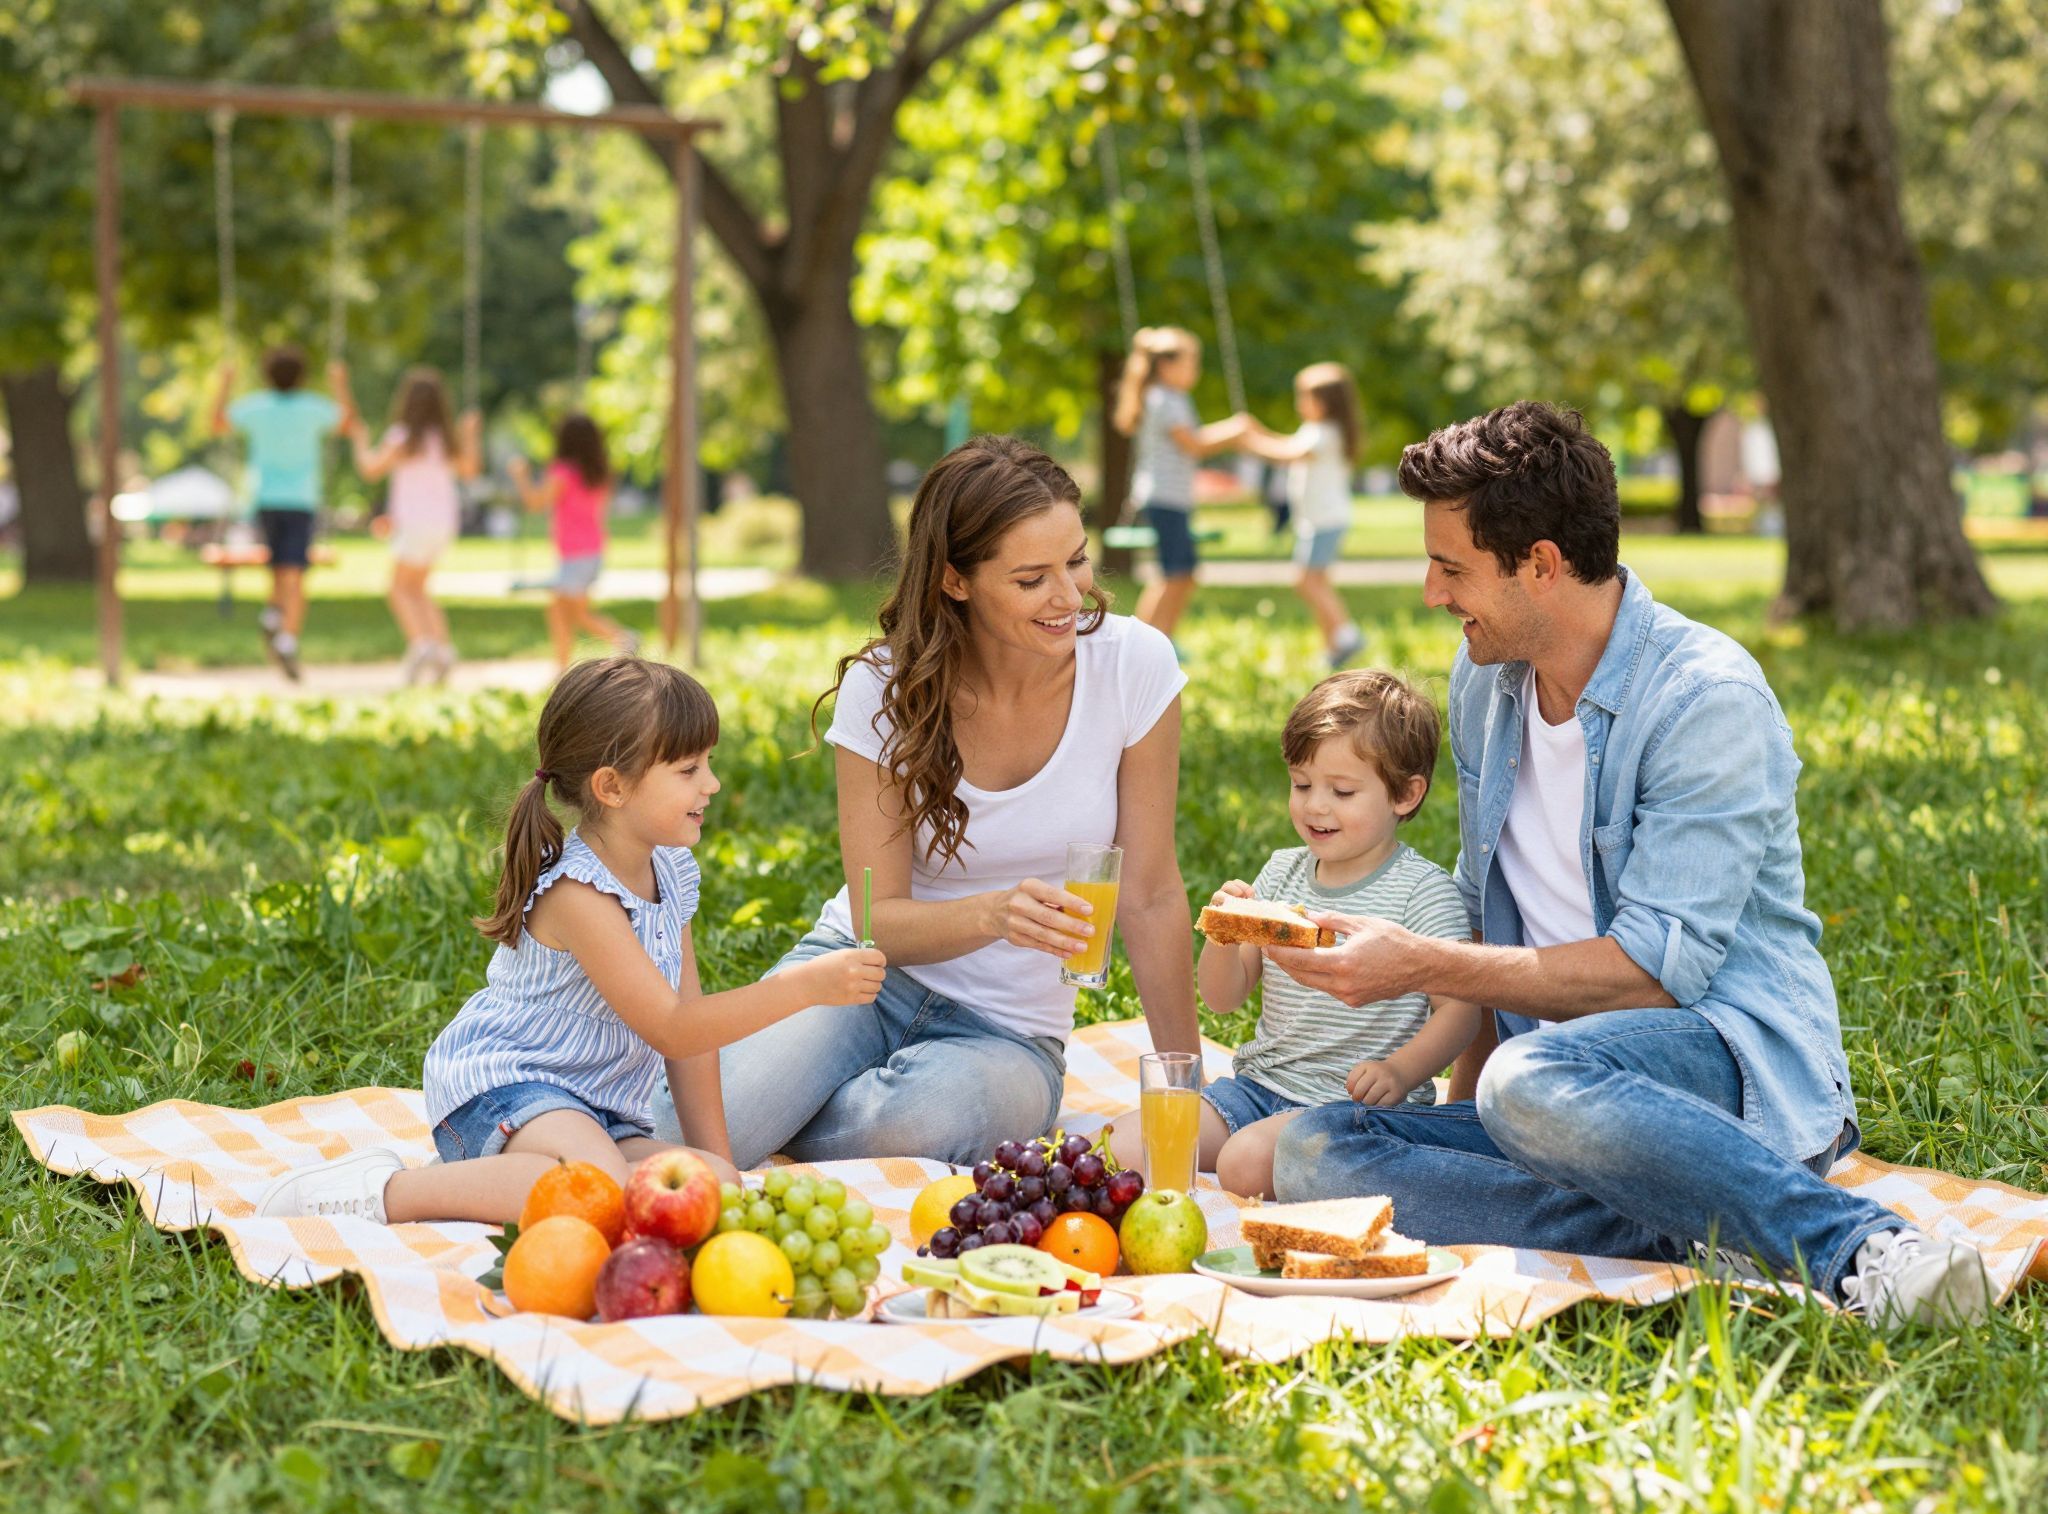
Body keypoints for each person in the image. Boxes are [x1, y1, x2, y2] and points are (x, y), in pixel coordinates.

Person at [1263, 401, 2000, 1330]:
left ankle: (1860, 1249)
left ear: (1541, 563)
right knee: (1316, 1149)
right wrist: (1464, 1095)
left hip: (1716, 1058)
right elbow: (1499, 912)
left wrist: (1413, 964)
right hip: (1556, 1094)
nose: (1431, 593)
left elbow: (1656, 975)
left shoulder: (1705, 698)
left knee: (1526, 1082)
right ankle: (1703, 1222)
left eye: (1452, 569)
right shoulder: (1486, 681)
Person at [652, 435, 1201, 1168]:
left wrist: (1184, 1092)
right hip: (857, 975)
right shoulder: (886, 688)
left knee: (918, 1124)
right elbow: (880, 921)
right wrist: (996, 912)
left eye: (1076, 560)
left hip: (1006, 1032)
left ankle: (792, 1121)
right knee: (675, 1138)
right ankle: (776, 1111)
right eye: (1032, 578)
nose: (1070, 597)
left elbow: (1152, 892)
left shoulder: (1134, 665)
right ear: (955, 581)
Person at [254, 657, 889, 1227]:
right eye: (689, 769)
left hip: (598, 1110)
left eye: (709, 764)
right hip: (503, 1090)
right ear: (612, 788)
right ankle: (385, 1192)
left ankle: (576, 1168)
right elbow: (673, 1026)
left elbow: (692, 1049)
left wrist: (719, 1164)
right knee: (596, 1192)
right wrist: (806, 986)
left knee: (710, 1188)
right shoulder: (580, 896)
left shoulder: (670, 872)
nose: (712, 784)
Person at [1107, 671, 1478, 1199]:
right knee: (1119, 1144)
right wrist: (1224, 935)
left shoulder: (1424, 893)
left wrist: (1401, 1071)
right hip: (1258, 1089)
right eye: (1302, 784)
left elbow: (1461, 1010)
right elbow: (1222, 997)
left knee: (1244, 1163)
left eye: (1342, 791)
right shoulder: (1280, 874)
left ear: (1405, 794)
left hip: (1352, 1109)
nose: (1315, 806)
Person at [211, 347, 358, 680]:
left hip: (264, 500)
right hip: (300, 501)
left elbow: (217, 422)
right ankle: (288, 637)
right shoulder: (312, 409)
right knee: (295, 574)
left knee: (278, 570)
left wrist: (225, 383)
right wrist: (340, 384)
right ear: (303, 376)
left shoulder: (257, 408)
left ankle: (274, 618)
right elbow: (349, 423)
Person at [1111, 327, 1246, 643]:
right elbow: (1194, 445)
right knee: (1174, 574)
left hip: (1170, 498)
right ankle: (1140, 641)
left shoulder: (1171, 397)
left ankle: (1162, 637)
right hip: (1163, 497)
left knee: (1183, 574)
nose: (1195, 371)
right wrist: (1235, 431)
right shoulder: (1165, 399)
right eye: (1190, 364)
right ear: (1166, 366)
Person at [350, 368, 480, 685]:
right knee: (419, 589)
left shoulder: (402, 437)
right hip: (443, 525)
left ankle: (421, 644)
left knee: (397, 588)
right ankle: (442, 649)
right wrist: (471, 435)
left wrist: (359, 440)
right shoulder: (445, 441)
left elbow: (370, 470)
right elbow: (470, 470)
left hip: (413, 524)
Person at [1240, 362, 1366, 670]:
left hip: (1324, 520)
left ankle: (1347, 635)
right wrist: (1257, 431)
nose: (1299, 404)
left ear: (1324, 402)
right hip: (1318, 520)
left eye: (1304, 397)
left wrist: (1249, 439)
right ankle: (1333, 646)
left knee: (1307, 581)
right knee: (1316, 580)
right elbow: (1288, 444)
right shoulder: (1317, 431)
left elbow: (1285, 453)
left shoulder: (1325, 434)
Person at [509, 414, 639, 672]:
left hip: (576, 554)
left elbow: (536, 503)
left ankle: (623, 639)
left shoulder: (563, 472)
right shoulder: (598, 474)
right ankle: (570, 663)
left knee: (564, 611)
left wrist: (521, 476)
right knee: (567, 611)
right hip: (592, 550)